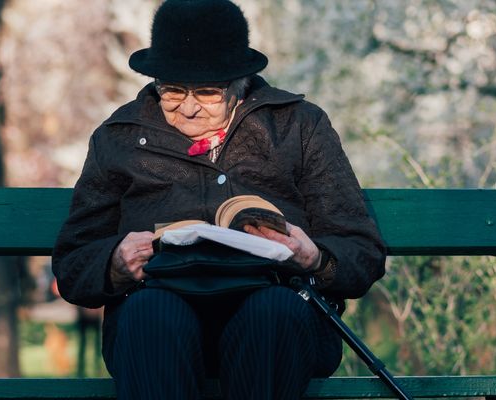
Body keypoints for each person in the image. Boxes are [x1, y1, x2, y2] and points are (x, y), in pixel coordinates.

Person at [52, 0, 386, 398]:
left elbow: (361, 251)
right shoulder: (119, 137)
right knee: (150, 315)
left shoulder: (299, 125)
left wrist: (313, 257)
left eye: (208, 93)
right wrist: (115, 263)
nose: (189, 108)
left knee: (273, 314)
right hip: (161, 312)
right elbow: (73, 264)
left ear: (240, 82)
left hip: (273, 310)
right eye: (172, 91)